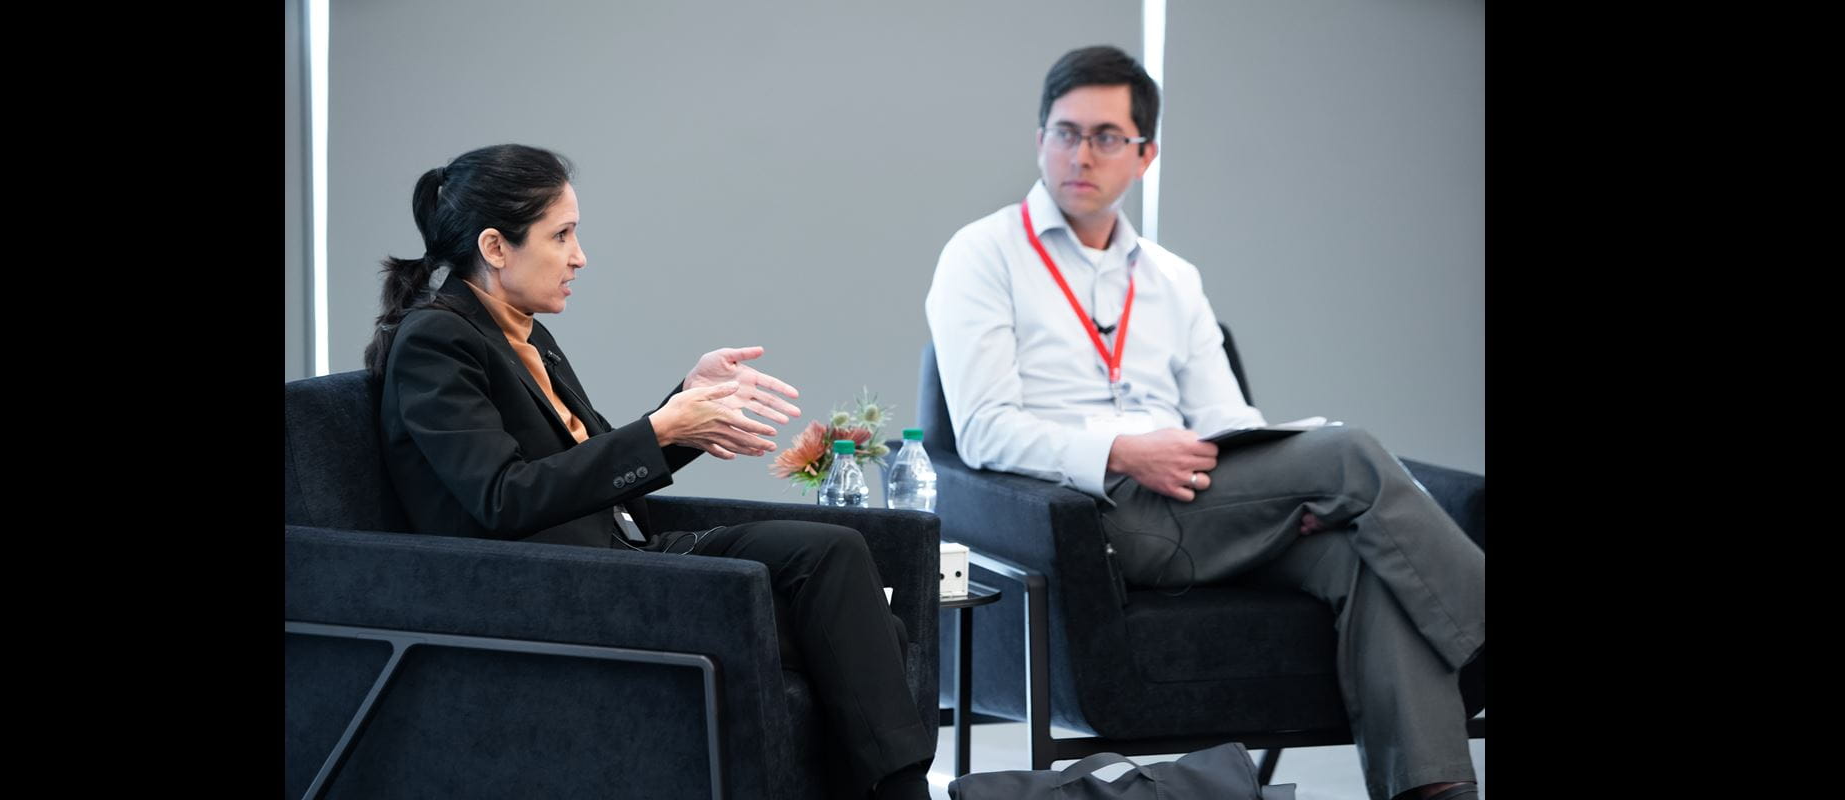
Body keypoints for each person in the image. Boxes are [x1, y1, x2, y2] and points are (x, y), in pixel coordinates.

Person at [924, 47, 1484, 800]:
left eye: (1106, 137)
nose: (1080, 154)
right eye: (1064, 132)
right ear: (1039, 140)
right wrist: (1125, 449)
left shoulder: (1170, 277)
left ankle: (1434, 791)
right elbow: (985, 431)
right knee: (1350, 455)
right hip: (1098, 518)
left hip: (1207, 505)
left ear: (1145, 155)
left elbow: (1227, 417)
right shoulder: (983, 256)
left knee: (1362, 556)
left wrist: (1289, 493)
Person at [366, 143, 933, 799]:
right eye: (562, 235)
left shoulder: (520, 329)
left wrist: (685, 405)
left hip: (624, 552)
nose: (580, 256)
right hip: (549, 589)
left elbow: (591, 460)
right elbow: (500, 499)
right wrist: (663, 428)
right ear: (496, 247)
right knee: (865, 631)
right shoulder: (437, 342)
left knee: (833, 552)